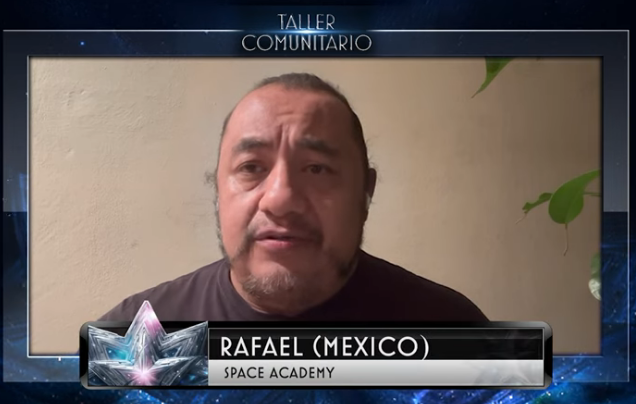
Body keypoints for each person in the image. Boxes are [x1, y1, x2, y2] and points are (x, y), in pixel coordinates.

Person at [98, 73, 488, 322]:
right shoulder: (134, 339)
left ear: (365, 193)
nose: (280, 199)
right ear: (218, 191)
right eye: (251, 167)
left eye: (317, 169)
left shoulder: (452, 330)